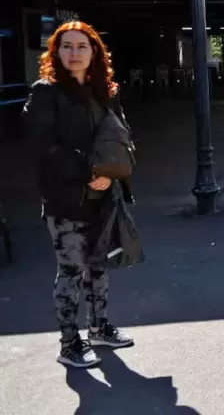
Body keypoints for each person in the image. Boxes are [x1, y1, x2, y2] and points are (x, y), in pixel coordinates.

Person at [22, 21, 134, 368]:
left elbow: (121, 136)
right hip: (64, 198)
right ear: (55, 52)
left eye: (81, 46)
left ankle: (98, 327)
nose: (74, 53)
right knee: (70, 269)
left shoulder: (107, 91)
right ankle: (69, 342)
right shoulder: (46, 91)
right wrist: (89, 172)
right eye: (66, 46)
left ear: (95, 52)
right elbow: (43, 145)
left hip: (103, 194)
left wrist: (113, 174)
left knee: (99, 265)